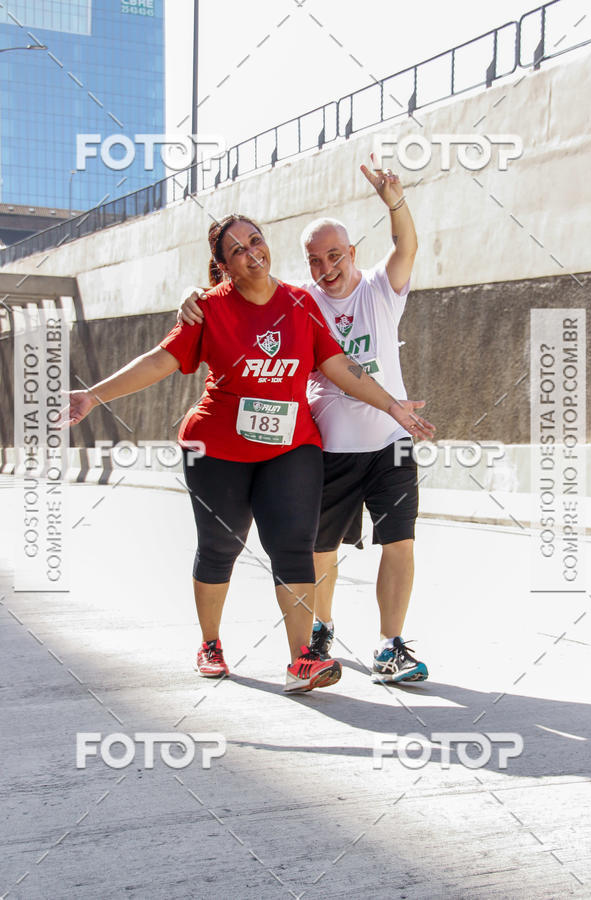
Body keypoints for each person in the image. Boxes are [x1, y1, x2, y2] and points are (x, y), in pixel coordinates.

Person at [65, 213, 434, 694]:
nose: (251, 252)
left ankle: (303, 659)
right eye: (237, 249)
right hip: (217, 448)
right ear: (223, 265)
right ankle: (211, 643)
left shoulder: (301, 304)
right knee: (222, 546)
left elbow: (340, 365)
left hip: (291, 446)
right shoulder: (208, 310)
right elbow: (161, 359)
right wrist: (94, 395)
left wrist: (393, 408)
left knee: (293, 544)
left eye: (255, 241)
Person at [179, 157, 430, 685]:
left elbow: (406, 246)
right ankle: (320, 632)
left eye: (335, 256)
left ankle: (390, 646)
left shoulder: (381, 289)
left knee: (399, 541)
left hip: (393, 439)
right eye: (315, 261)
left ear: (352, 253)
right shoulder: (301, 299)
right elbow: (244, 295)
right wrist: (193, 299)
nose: (326, 268)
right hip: (330, 445)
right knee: (320, 549)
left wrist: (395, 203)